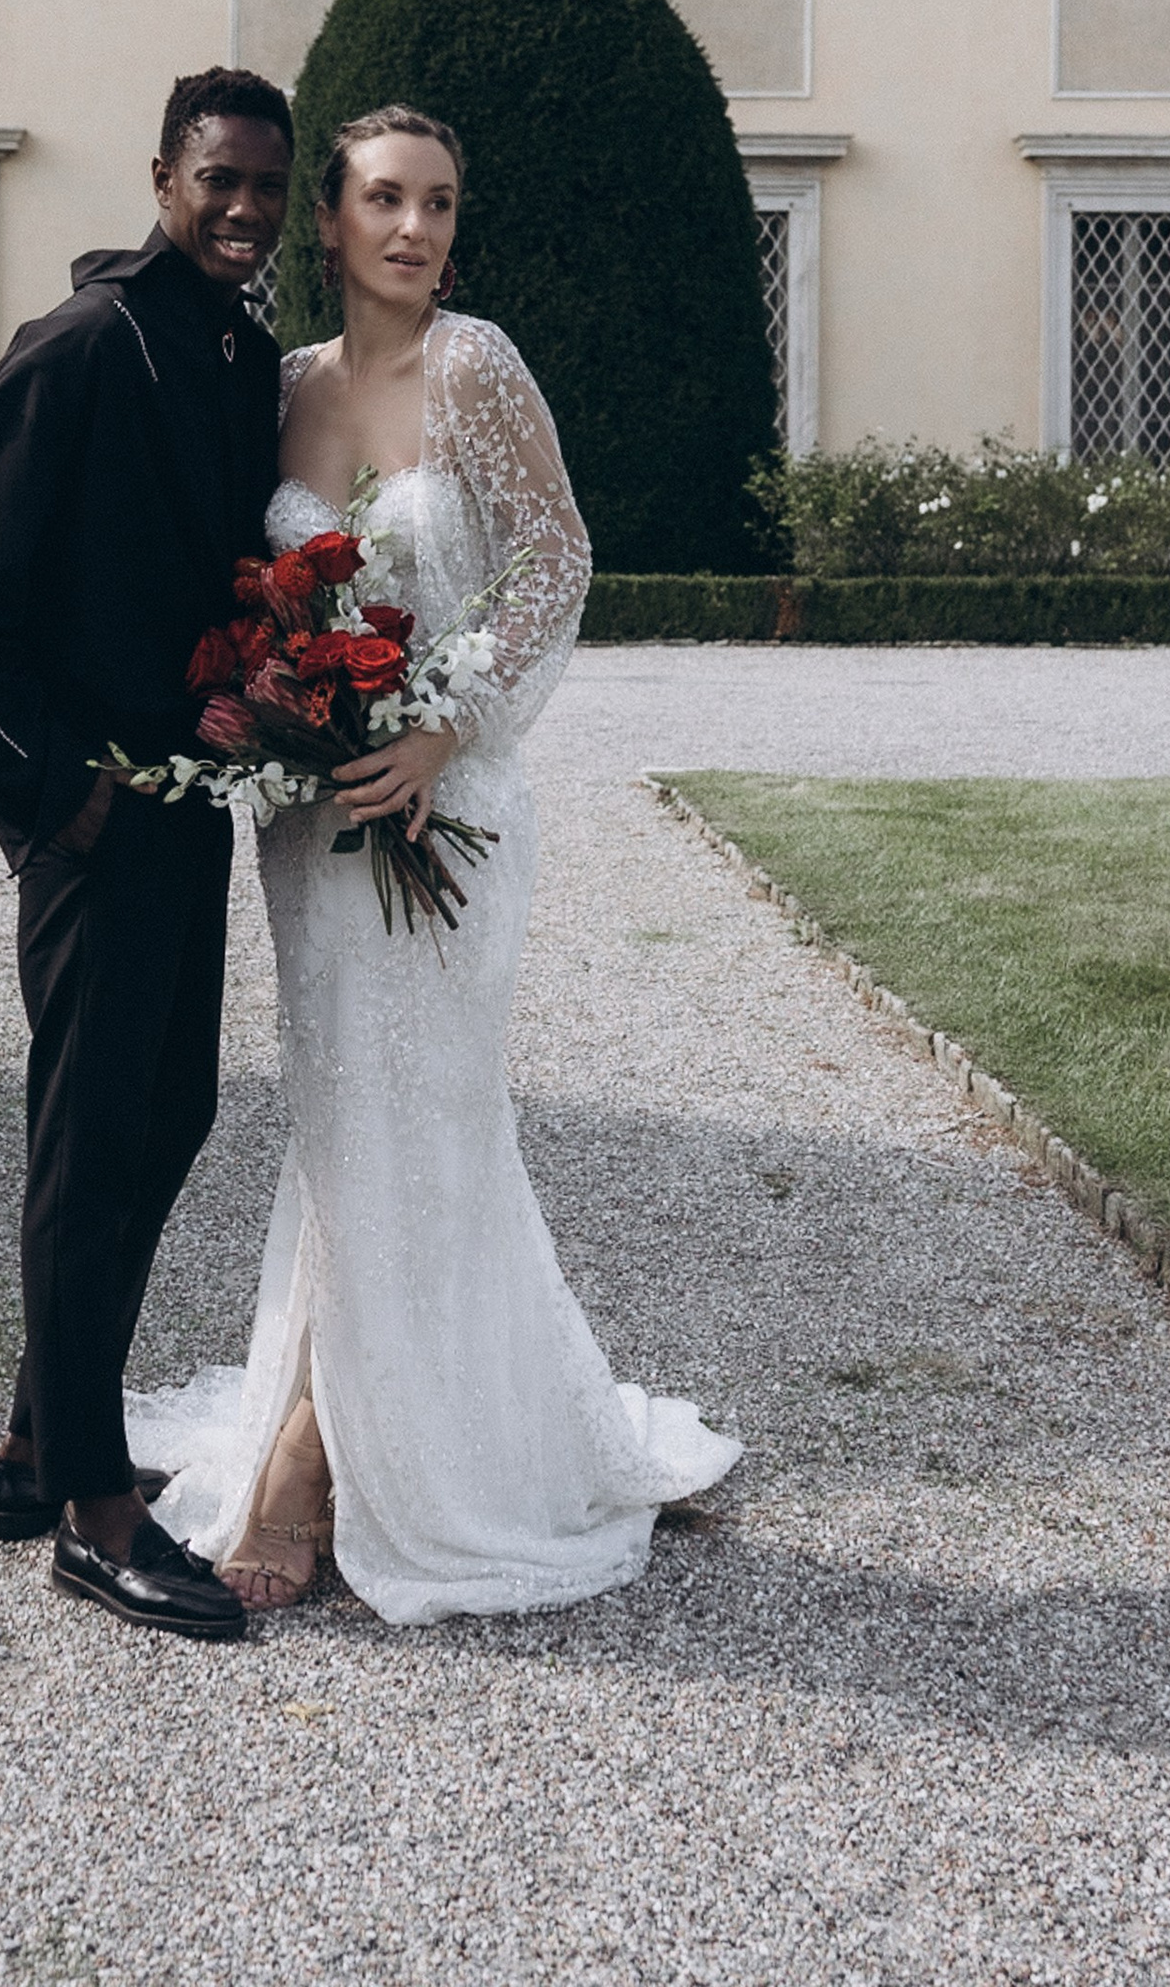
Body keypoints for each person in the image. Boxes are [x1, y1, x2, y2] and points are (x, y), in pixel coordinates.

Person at [129, 104, 740, 1622]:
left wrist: (444, 728)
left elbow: (558, 563)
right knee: (344, 1118)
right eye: (387, 202)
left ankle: (309, 1460)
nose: (417, 231)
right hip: (314, 819)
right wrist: (279, 708)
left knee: (434, 1113)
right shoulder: (278, 388)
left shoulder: (478, 368)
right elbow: (249, 586)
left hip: (450, 809)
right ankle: (338, 1419)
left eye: (443, 204)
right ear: (327, 223)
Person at [0, 65, 293, 1646]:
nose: (247, 210)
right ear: (161, 177)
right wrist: (48, 786)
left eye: (267, 185)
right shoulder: (80, 347)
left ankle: (33, 1436)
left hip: (189, 802)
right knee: (93, 1135)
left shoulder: (234, 351)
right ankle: (96, 1511)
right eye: (220, 181)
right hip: (97, 815)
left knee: (166, 1112)